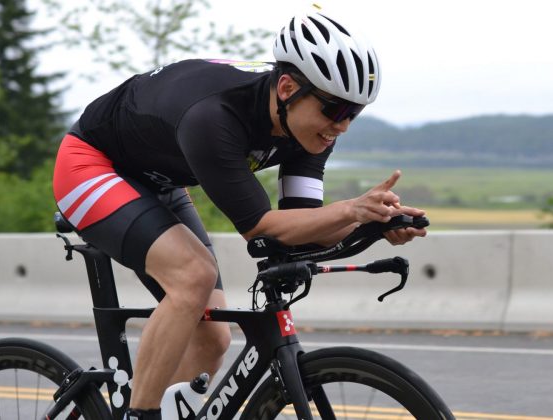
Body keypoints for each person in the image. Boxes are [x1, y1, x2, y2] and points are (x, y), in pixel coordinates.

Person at [52, 9, 427, 420]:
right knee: (192, 277)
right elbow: (261, 228)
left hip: (160, 179)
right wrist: (350, 209)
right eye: (335, 111)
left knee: (211, 340)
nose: (342, 127)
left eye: (353, 114)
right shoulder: (213, 117)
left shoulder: (311, 129)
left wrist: (368, 223)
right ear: (287, 88)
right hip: (91, 165)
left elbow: (300, 223)